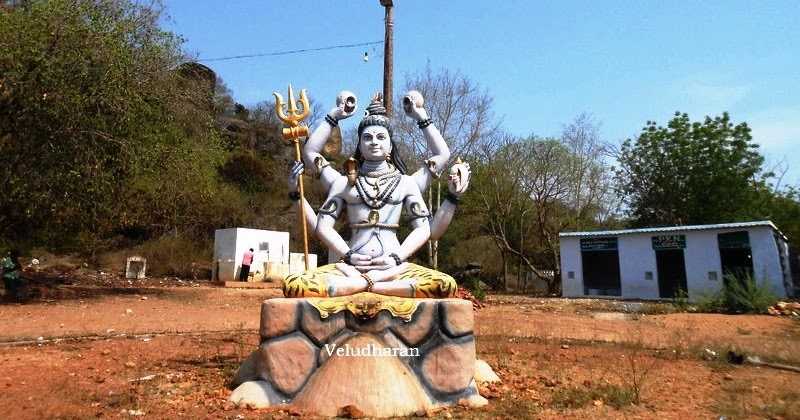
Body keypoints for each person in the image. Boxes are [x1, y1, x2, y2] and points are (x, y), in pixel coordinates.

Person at [283, 91, 470, 298]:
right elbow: (310, 156)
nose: (374, 142)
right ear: (360, 145)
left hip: (394, 268)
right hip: (350, 267)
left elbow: (425, 229)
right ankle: (371, 285)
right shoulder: (343, 183)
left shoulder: (405, 183)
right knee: (295, 285)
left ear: (390, 145)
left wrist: (420, 115)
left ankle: (366, 286)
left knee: (442, 285)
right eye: (367, 137)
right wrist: (334, 115)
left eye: (381, 137)